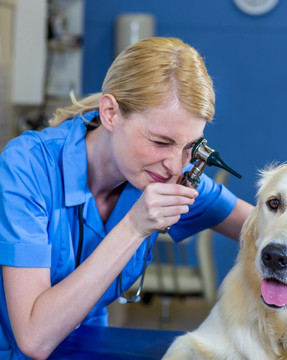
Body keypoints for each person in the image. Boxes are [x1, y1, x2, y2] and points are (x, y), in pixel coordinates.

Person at [0, 37, 253, 360]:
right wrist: (134, 227)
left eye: (189, 147)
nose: (176, 165)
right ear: (110, 113)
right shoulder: (28, 167)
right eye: (161, 142)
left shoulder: (171, 177)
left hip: (88, 349)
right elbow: (34, 339)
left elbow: (267, 232)